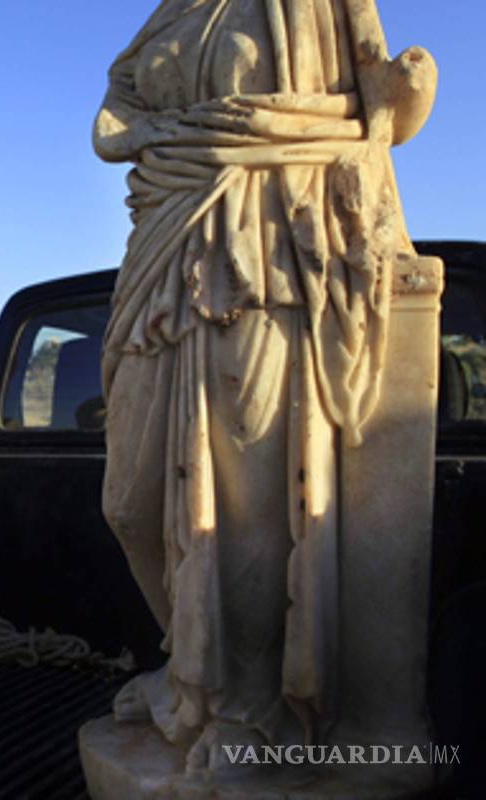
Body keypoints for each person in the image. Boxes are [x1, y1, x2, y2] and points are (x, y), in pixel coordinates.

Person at [92, 0, 436, 774]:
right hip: (162, 245)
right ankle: (190, 669)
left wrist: (407, 92)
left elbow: (384, 107)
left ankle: (247, 710)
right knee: (131, 502)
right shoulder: (172, 15)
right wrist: (159, 133)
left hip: (268, 244)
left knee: (247, 506)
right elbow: (112, 116)